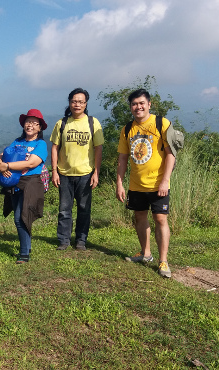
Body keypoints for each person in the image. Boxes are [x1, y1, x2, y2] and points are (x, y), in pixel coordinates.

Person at [116, 88, 175, 278]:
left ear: (149, 104)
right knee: (139, 218)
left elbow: (170, 154)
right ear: (131, 107)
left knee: (160, 219)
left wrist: (165, 181)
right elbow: (122, 159)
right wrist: (119, 183)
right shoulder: (127, 129)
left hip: (159, 184)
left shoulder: (162, 123)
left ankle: (163, 261)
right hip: (136, 184)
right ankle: (145, 253)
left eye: (141, 103)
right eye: (134, 104)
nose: (138, 107)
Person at [50, 88, 104, 251]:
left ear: (86, 104)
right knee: (64, 210)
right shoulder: (62, 123)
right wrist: (54, 171)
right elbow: (54, 147)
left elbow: (99, 149)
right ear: (69, 103)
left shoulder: (93, 123)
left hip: (86, 174)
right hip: (64, 173)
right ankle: (64, 240)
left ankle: (81, 240)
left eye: (81, 101)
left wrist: (96, 172)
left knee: (84, 209)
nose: (77, 104)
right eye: (74, 101)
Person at [0, 109, 48, 264]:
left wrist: (7, 165)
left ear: (39, 128)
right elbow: (2, 155)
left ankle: (24, 253)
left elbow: (31, 163)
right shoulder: (17, 142)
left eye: (34, 123)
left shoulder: (41, 144)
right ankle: (27, 245)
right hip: (14, 183)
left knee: (21, 217)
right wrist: (1, 165)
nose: (30, 125)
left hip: (31, 183)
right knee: (21, 216)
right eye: (28, 122)